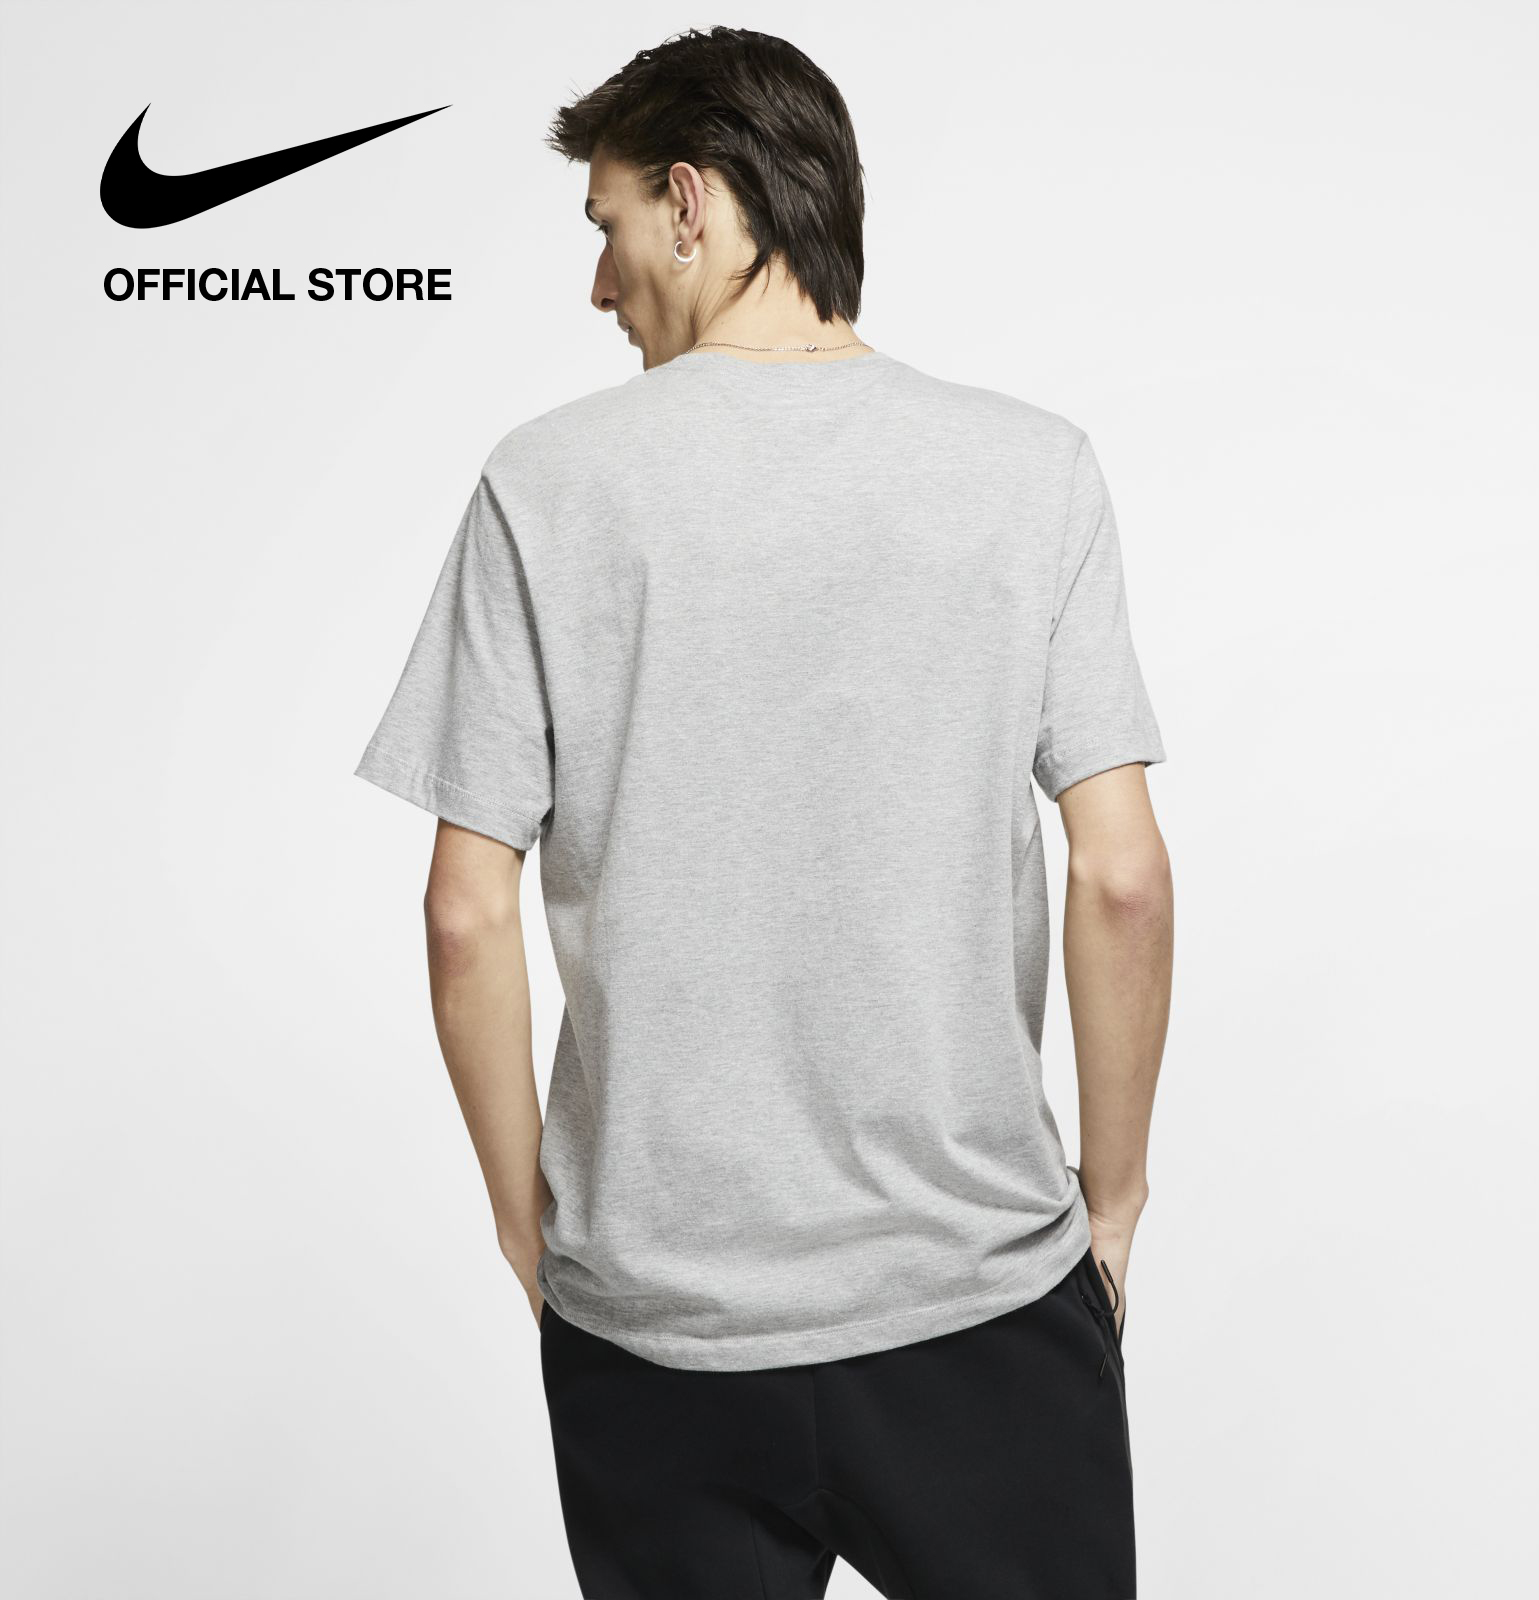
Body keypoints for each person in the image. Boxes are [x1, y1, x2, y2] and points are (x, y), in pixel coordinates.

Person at [354, 25, 1173, 1600]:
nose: (599, 287)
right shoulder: (1032, 471)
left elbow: (465, 910)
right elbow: (1122, 877)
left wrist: (533, 1231)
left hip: (657, 1328)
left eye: (605, 226)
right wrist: (1116, 1206)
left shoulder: (546, 484)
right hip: (981, 1300)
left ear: (691, 202)